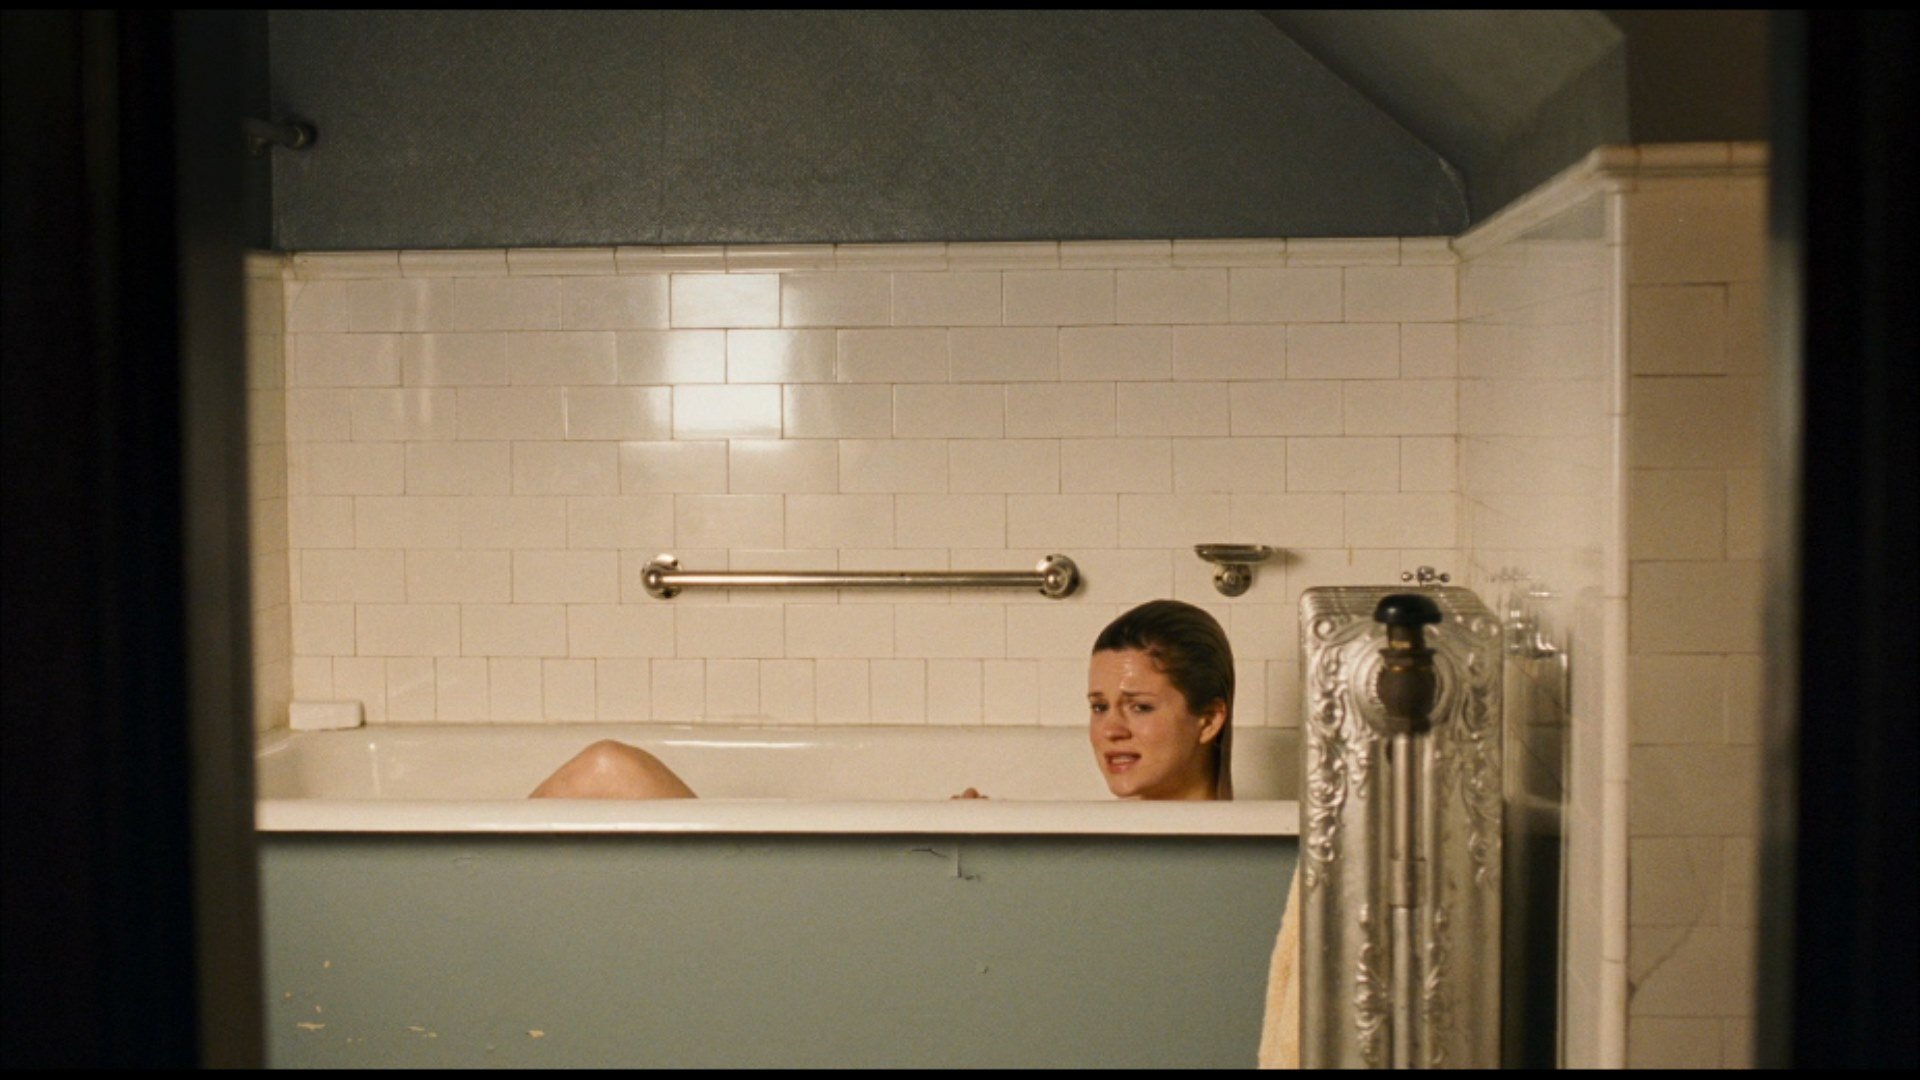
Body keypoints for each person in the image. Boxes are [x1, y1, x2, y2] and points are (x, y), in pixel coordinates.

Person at [529, 598, 1233, 802]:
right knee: (608, 767)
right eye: (1098, 706)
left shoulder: (1219, 858)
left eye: (1140, 707)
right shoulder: (1127, 836)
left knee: (609, 768)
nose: (1111, 729)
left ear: (1209, 719)